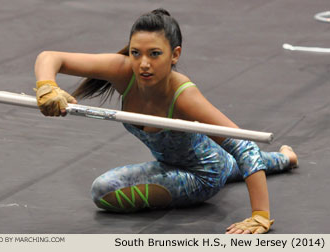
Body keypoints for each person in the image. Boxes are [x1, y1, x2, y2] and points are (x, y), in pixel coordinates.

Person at [34, 8, 298, 234]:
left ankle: (268, 163)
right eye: (136, 53)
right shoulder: (123, 70)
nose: (143, 64)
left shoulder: (183, 95)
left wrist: (260, 215)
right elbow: (50, 57)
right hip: (201, 158)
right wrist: (47, 86)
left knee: (103, 191)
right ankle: (285, 159)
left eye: (154, 54)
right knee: (229, 162)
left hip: (202, 176)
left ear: (175, 55)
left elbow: (243, 145)